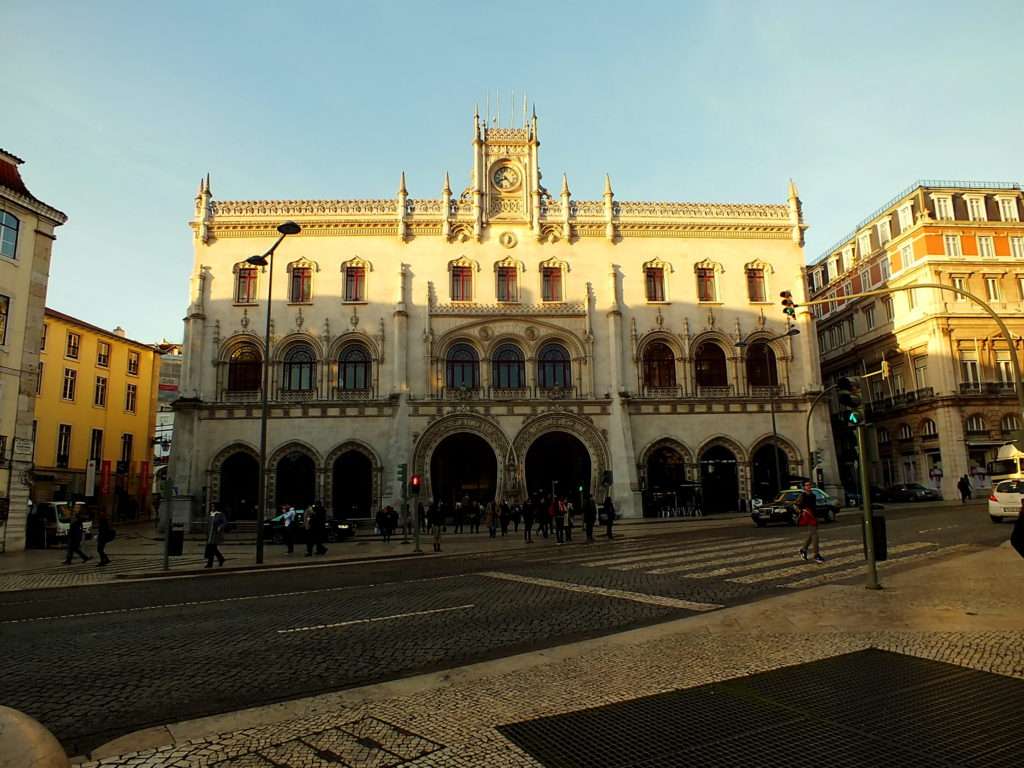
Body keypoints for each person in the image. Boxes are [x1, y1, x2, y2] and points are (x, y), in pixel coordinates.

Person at [797, 481, 824, 563]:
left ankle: (803, 549)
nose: (808, 486)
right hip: (807, 516)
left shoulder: (813, 495)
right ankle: (816, 555)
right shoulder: (802, 495)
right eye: (807, 485)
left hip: (813, 516)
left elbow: (814, 506)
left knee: (811, 535)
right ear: (804, 487)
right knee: (815, 535)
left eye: (809, 485)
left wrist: (816, 516)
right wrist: (803, 510)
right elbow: (797, 505)